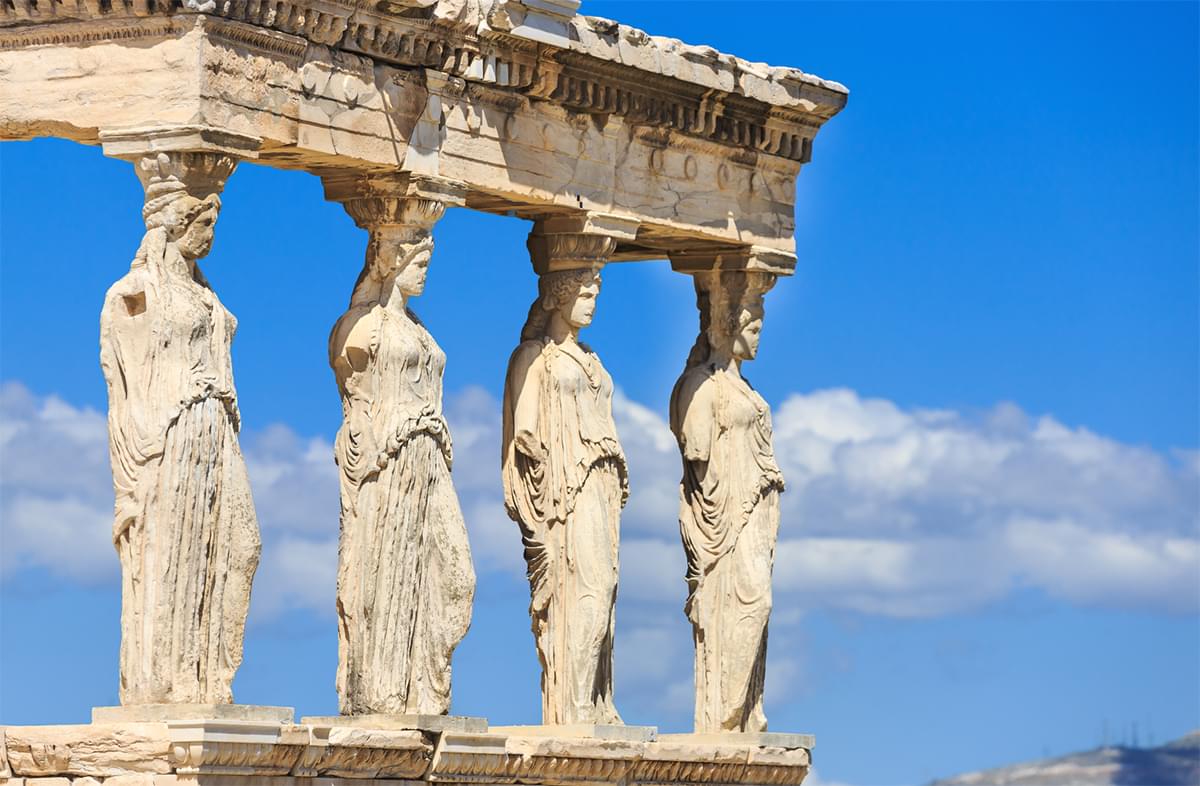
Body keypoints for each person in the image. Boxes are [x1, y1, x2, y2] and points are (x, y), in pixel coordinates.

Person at [100, 159, 259, 705]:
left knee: (242, 546)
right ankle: (166, 686)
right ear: (174, 220)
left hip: (218, 428)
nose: (213, 233)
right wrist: (139, 460)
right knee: (169, 555)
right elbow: (122, 383)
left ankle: (211, 677)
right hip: (173, 435)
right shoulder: (133, 294)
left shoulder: (205, 292)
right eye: (204, 220)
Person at [329, 227, 475, 715]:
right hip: (389, 462)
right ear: (388, 258)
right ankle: (385, 698)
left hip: (432, 459)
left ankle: (427, 692)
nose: (425, 265)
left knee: (457, 579)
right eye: (416, 255)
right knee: (385, 574)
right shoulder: (361, 326)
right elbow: (353, 400)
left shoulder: (419, 328)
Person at [501, 266, 627, 725]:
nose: (593, 301)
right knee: (588, 590)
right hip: (565, 492)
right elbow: (526, 432)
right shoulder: (535, 357)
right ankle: (571, 707)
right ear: (558, 296)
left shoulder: (590, 357)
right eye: (584, 292)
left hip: (600, 485)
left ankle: (595, 701)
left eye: (596, 292)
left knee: (605, 593)